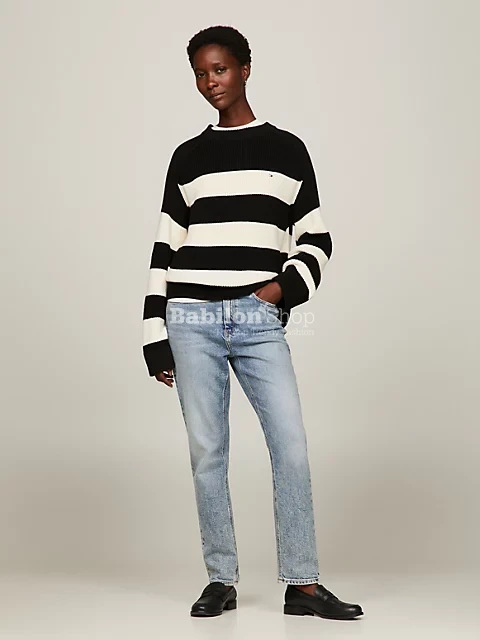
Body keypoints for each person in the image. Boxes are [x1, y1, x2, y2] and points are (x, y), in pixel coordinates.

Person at [142, 24, 364, 620]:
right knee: (207, 452)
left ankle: (302, 585)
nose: (209, 82)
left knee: (289, 444)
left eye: (219, 69)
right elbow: (164, 249)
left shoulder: (286, 150)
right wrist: (155, 336)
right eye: (199, 73)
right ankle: (221, 579)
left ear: (244, 68)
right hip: (189, 317)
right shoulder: (187, 157)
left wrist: (280, 290)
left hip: (257, 316)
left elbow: (316, 239)